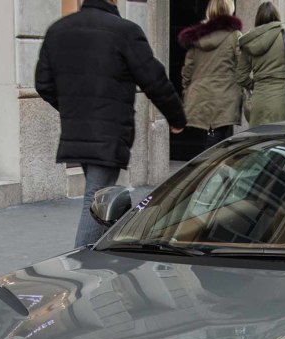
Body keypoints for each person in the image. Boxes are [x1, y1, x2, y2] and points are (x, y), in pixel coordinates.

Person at [35, 0, 185, 247]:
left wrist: (74, 110)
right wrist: (176, 117)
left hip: (78, 129)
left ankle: (117, 254)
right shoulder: (125, 31)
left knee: (105, 199)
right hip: (109, 132)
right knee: (96, 200)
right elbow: (153, 78)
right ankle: (80, 264)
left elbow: (43, 84)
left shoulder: (58, 29)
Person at [179, 0, 243, 151]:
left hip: (198, 96)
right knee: (216, 147)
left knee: (205, 143)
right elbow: (242, 66)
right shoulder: (234, 36)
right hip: (225, 97)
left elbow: (187, 70)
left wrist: (186, 92)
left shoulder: (196, 38)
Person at [236, 2, 285, 127]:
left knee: (259, 143)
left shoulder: (250, 41)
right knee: (280, 142)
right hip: (282, 100)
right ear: (277, 16)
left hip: (258, 102)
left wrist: (255, 85)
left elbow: (240, 76)